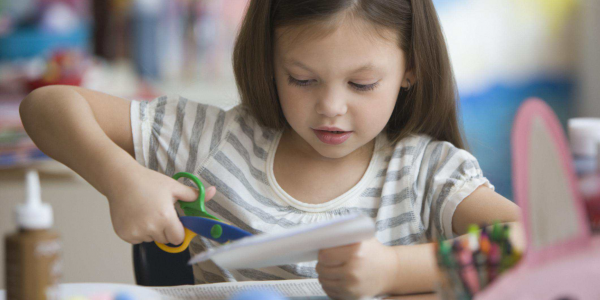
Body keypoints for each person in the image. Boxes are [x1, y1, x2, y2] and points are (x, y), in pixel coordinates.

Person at [20, 0, 521, 298]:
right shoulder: (214, 141)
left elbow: (526, 240)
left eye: (362, 84)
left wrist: (392, 271)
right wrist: (119, 178)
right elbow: (46, 106)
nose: (330, 108)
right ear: (270, 60)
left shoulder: (424, 173)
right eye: (301, 79)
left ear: (411, 68)